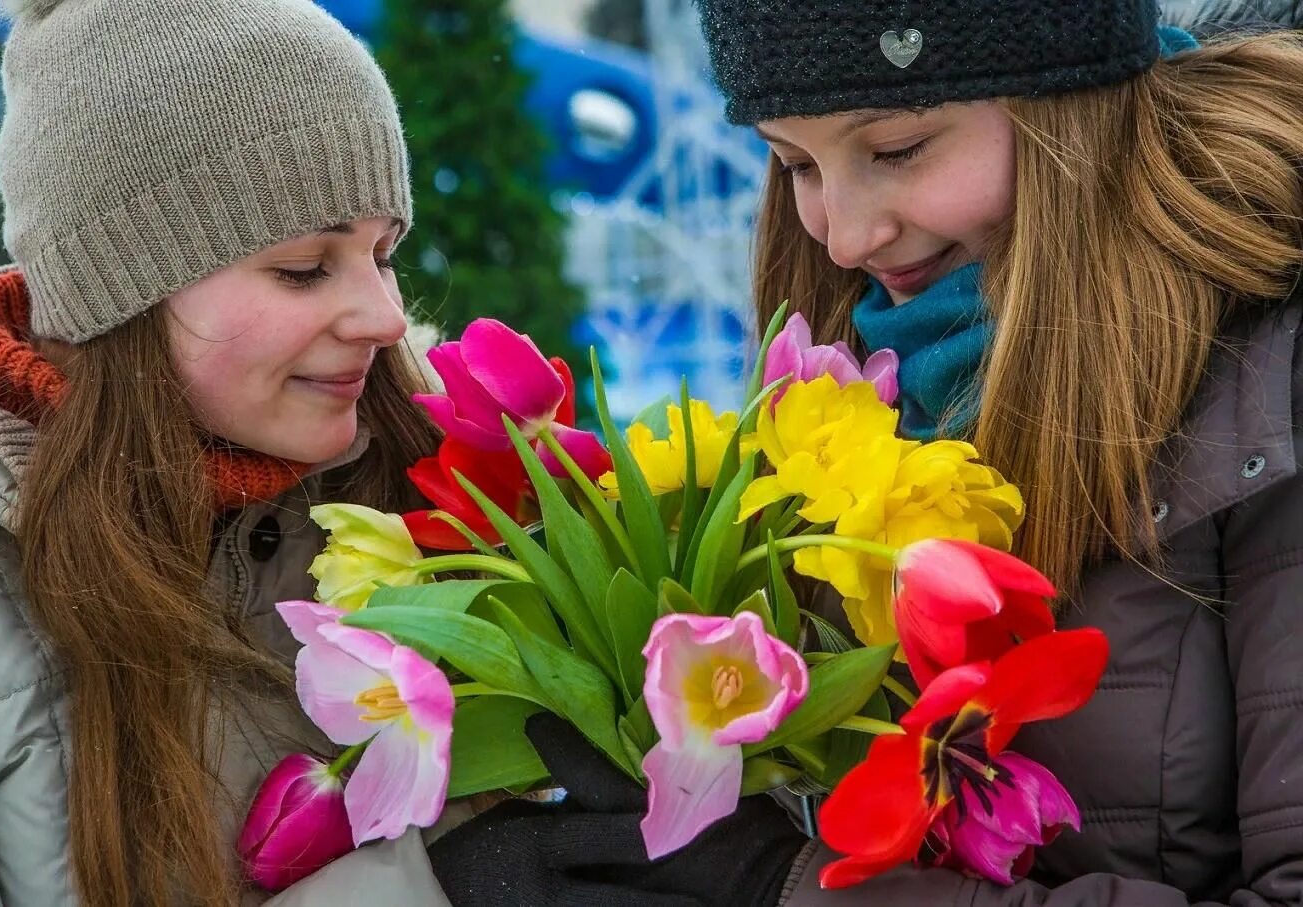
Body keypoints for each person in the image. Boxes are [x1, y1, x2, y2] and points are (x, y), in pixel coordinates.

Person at [430, 1, 1303, 905]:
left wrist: (781, 883)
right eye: (794, 163)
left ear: (1067, 103)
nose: (844, 238)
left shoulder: (1272, 377)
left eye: (895, 149)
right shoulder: (854, 380)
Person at [0, 0, 457, 904]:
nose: (383, 316)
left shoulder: (434, 477)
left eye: (384, 254)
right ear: (119, 293)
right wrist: (446, 882)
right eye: (305, 267)